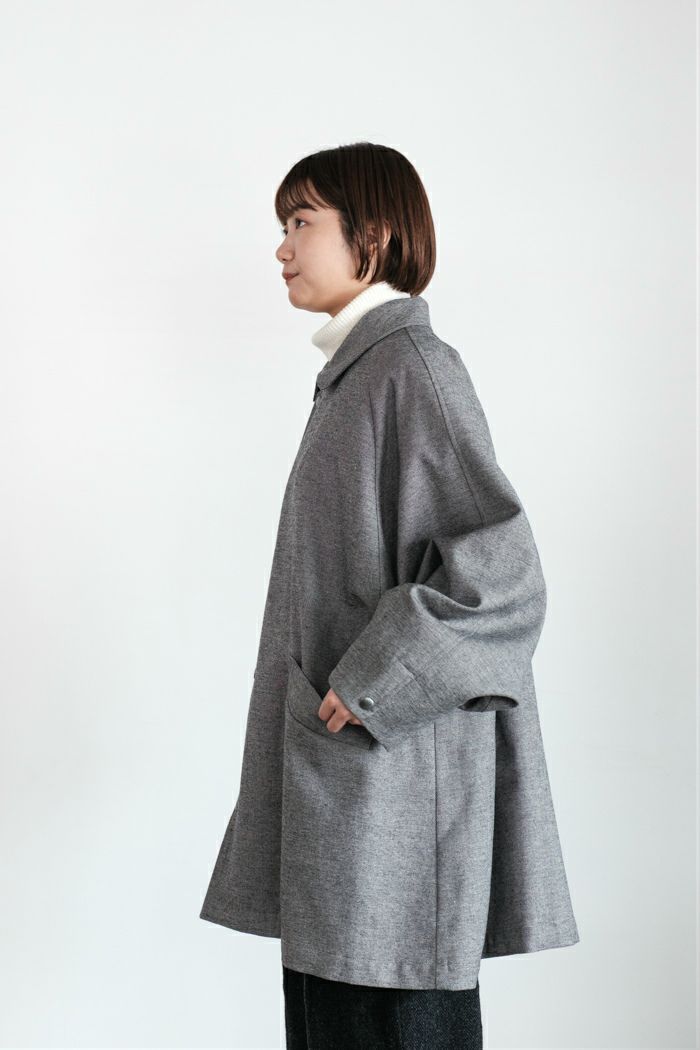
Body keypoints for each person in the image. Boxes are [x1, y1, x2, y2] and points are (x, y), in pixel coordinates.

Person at [200, 142, 579, 1050]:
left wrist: (371, 682)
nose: (282, 247)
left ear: (370, 236)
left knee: (391, 1018)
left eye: (301, 222)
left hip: (395, 797)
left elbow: (503, 577)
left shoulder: (413, 368)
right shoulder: (357, 376)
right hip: (351, 794)